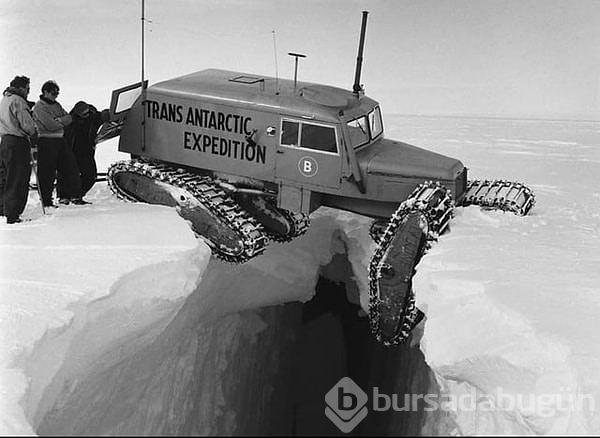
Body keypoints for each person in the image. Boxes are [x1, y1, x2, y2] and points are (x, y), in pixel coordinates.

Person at [32, 80, 85, 206]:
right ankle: (46, 200)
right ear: (45, 92)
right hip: (46, 140)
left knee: (70, 167)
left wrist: (59, 120)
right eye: (53, 93)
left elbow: (69, 118)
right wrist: (60, 122)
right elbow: (50, 125)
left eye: (57, 93)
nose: (55, 95)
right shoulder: (39, 107)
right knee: (47, 172)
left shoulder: (57, 105)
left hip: (60, 140)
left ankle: (72, 195)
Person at [0, 75, 38, 224]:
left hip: (4, 141)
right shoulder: (18, 101)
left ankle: (3, 208)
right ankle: (13, 214)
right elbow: (27, 125)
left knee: (5, 176)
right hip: (17, 142)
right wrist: (34, 132)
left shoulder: (5, 100)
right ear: (21, 88)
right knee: (18, 178)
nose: (28, 92)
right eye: (27, 89)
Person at [64, 101, 110, 198]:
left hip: (87, 151)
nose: (87, 115)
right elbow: (67, 138)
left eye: (88, 112)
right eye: (85, 114)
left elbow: (101, 116)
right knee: (70, 175)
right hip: (74, 151)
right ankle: (68, 195)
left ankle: (77, 195)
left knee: (90, 175)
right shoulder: (71, 123)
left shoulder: (93, 115)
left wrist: (107, 114)